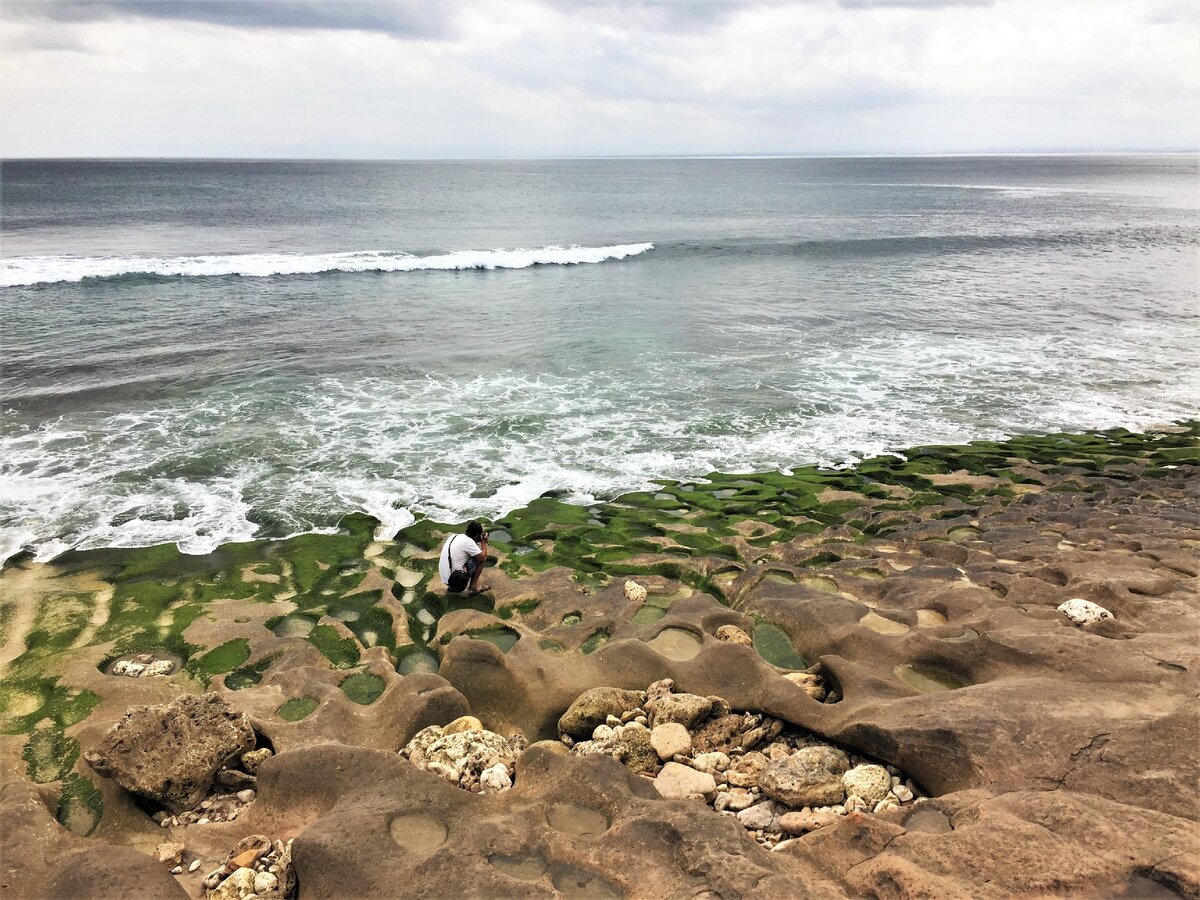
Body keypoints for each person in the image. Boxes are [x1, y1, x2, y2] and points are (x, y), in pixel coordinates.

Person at [438, 521, 490, 595]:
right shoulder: (469, 542)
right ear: (477, 535)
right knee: (482, 559)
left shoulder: (454, 536)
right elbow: (483, 556)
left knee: (470, 556)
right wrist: (484, 542)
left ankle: (452, 587)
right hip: (456, 581)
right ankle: (472, 588)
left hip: (446, 578)